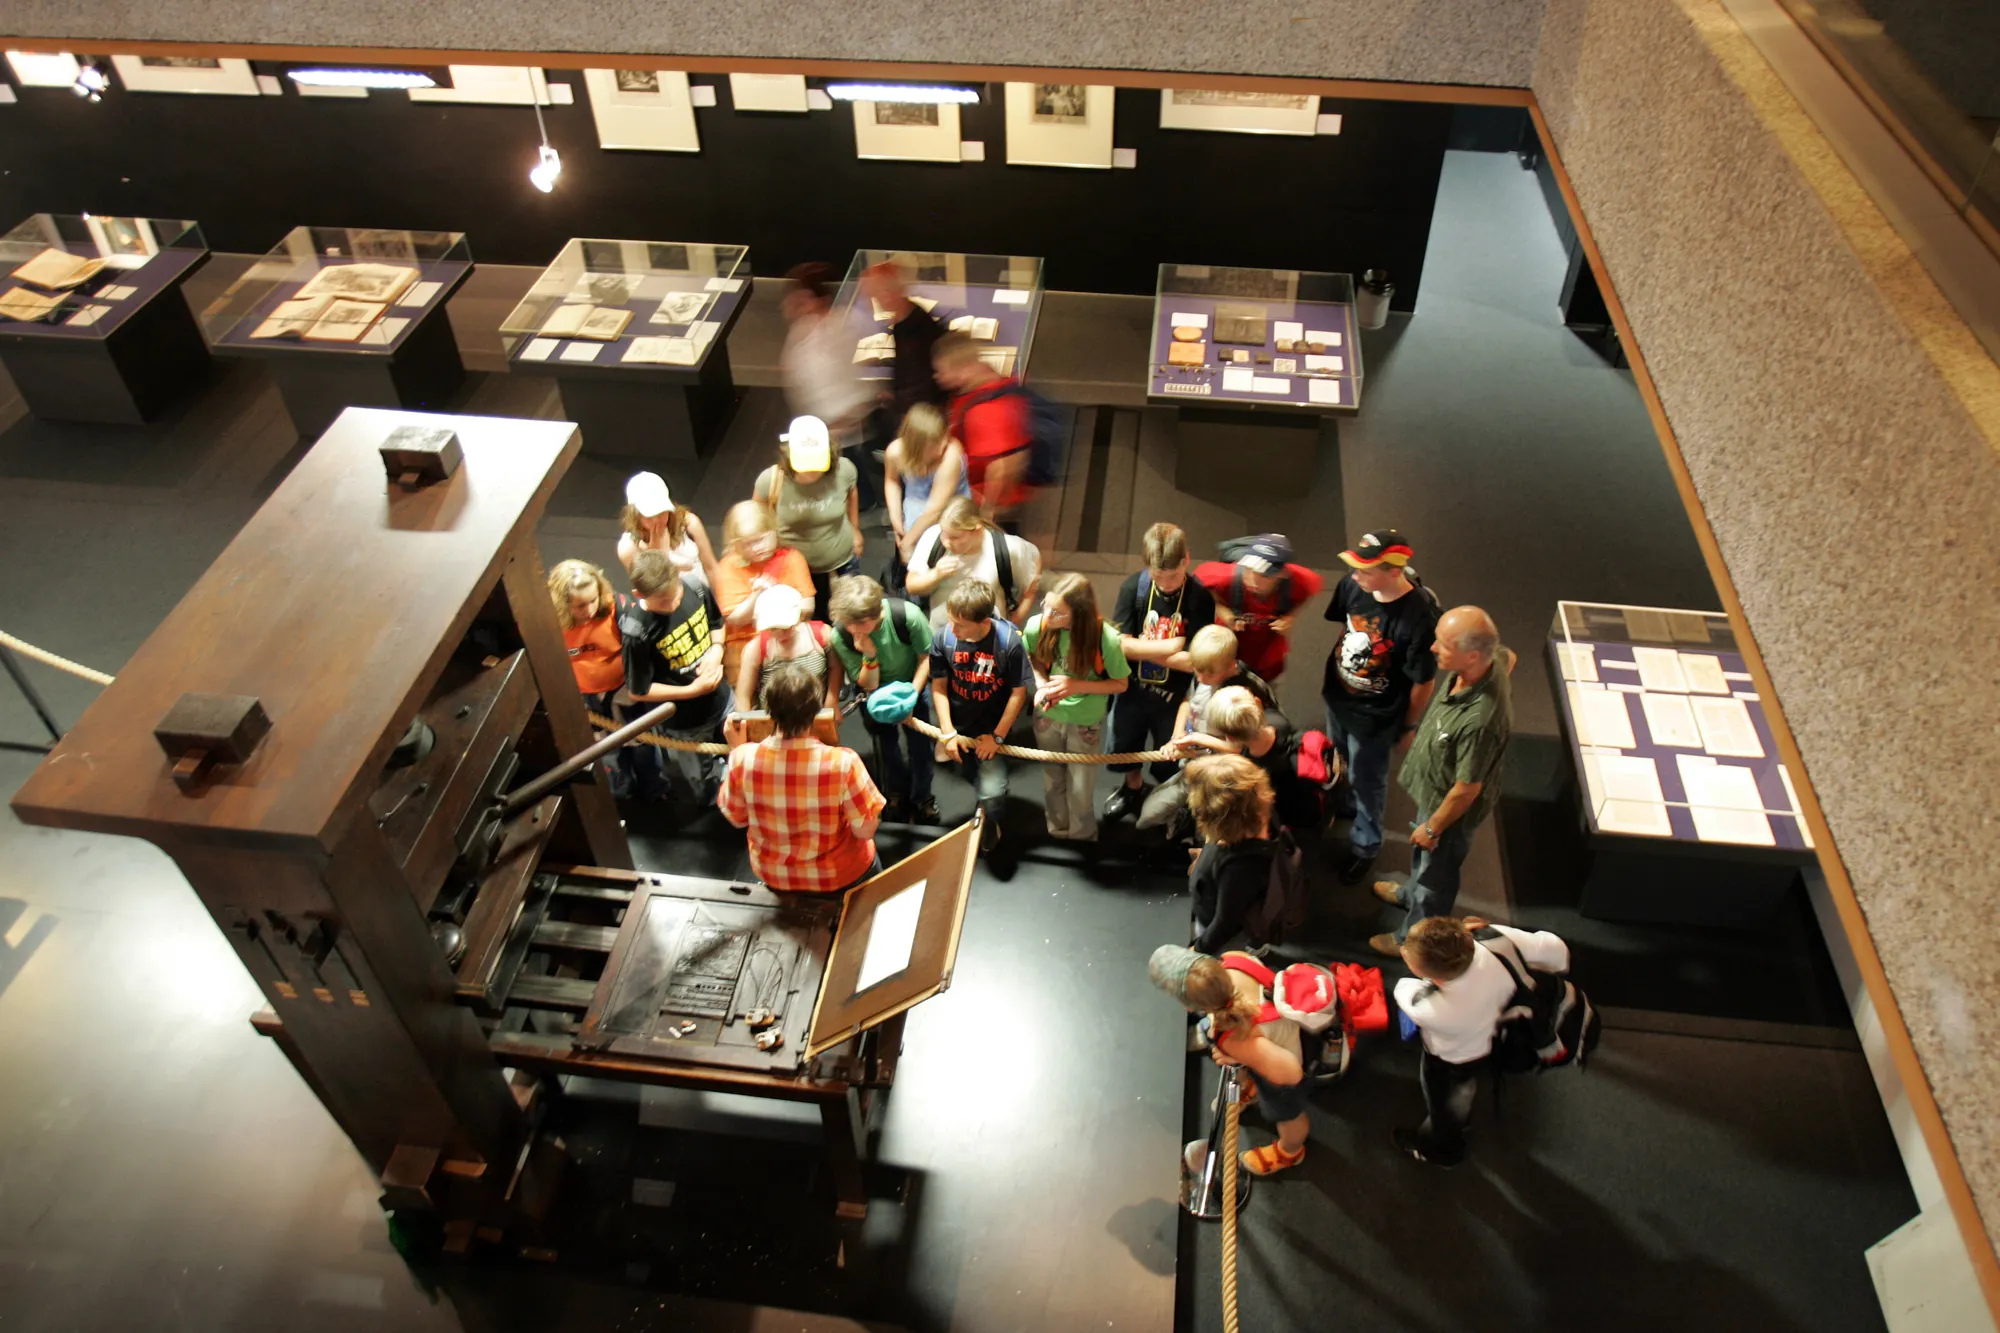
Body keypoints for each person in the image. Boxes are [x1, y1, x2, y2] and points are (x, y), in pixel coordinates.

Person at [1369, 607, 1514, 957]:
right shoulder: (1491, 661)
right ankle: (1410, 894)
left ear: (1472, 655)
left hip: (1448, 812)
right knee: (1424, 862)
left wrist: (1433, 828)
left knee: (1436, 878)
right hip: (1435, 792)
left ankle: (1413, 939)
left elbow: (1466, 789)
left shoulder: (1480, 722)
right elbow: (1510, 657)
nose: (1433, 648)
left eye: (1444, 644)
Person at [1394, 915, 1568, 1167]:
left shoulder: (1431, 1009)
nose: (1403, 950)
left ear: (1436, 977)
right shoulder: (1496, 938)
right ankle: (1459, 1118)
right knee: (1466, 1084)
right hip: (1495, 1035)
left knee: (1446, 1098)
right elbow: (1558, 951)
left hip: (1454, 1057)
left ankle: (1443, 1150)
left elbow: (1403, 987)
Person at [1322, 528, 1441, 885]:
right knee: (1339, 758)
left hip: (1376, 717)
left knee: (1368, 780)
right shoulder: (1352, 586)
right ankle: (1344, 804)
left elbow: (1424, 681)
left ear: (1394, 571)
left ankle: (1366, 844)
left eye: (1366, 570)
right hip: (1339, 698)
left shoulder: (1420, 618)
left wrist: (1408, 726)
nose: (1355, 576)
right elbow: (1345, 626)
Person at [719, 664, 886, 894]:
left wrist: (737, 750)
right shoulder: (843, 763)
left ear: (769, 709)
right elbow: (865, 831)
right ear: (815, 710)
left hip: (777, 876)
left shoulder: (742, 758)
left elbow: (736, 819)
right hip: (839, 875)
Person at [1148, 944, 1311, 1177]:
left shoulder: (1232, 1038)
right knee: (1250, 1060)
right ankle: (1251, 1088)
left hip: (1283, 1069)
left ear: (1188, 1007)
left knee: (1287, 1115)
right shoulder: (1235, 959)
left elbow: (1291, 1073)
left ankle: (1290, 1151)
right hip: (1287, 1027)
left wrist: (1234, 1055)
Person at [1106, 523, 1216, 823]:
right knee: (1125, 745)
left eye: (1173, 576)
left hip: (1175, 695)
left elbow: (1195, 660)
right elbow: (1120, 646)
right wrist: (1172, 645)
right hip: (1133, 687)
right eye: (1158, 576)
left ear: (1186, 560)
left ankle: (1166, 801)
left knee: (1170, 756)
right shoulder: (1134, 588)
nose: (1166, 585)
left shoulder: (1200, 598)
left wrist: (1144, 648)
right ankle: (1132, 788)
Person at [1022, 573, 1130, 841]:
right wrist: (1041, 683)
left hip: (1085, 721)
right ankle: (1058, 831)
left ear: (1078, 613)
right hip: (1047, 717)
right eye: (1046, 605)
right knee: (1052, 781)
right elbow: (1031, 657)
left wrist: (1075, 685)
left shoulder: (1105, 639)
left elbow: (1120, 684)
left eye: (1057, 612)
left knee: (1081, 787)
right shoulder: (1039, 626)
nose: (1047, 615)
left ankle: (1082, 837)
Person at [928, 579, 1031, 853]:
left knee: (993, 792)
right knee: (969, 773)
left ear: (984, 621)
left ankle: (990, 817)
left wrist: (997, 737)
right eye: (951, 621)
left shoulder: (1008, 643)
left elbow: (1018, 693)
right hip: (959, 727)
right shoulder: (944, 639)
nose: (952, 629)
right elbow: (938, 686)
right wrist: (947, 730)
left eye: (960, 625)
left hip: (991, 728)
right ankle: (984, 801)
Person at [619, 551, 728, 805]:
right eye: (663, 602)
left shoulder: (694, 587)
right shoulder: (637, 632)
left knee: (739, 755)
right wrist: (692, 690)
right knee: (702, 781)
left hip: (722, 700)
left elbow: (717, 623)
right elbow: (639, 690)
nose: (673, 605)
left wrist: (716, 650)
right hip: (684, 722)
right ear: (639, 595)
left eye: (675, 595)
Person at [828, 574, 938, 825]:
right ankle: (895, 793)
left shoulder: (907, 616)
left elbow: (926, 658)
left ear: (874, 616)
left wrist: (910, 697)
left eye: (856, 623)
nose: (850, 629)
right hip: (874, 694)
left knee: (921, 747)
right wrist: (869, 654)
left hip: (912, 685)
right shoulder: (841, 635)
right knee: (886, 748)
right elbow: (869, 683)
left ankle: (923, 798)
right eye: (846, 622)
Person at [548, 558, 657, 801]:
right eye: (579, 605)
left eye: (593, 600)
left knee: (643, 747)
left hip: (625, 694)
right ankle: (622, 796)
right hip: (589, 702)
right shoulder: (552, 625)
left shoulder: (617, 607)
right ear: (562, 604)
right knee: (608, 753)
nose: (588, 610)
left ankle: (655, 791)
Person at [778, 261, 878, 510]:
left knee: (852, 464)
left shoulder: (846, 324)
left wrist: (855, 412)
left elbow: (864, 364)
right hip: (822, 418)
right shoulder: (802, 330)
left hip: (846, 415)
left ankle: (864, 502)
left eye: (802, 300)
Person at [755, 415, 864, 623]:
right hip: (794, 570)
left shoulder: (844, 470)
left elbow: (852, 493)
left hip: (842, 561)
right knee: (806, 622)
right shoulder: (770, 480)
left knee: (850, 618)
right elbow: (756, 518)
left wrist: (855, 529)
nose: (811, 471)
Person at [710, 499, 817, 685]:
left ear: (773, 532)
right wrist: (757, 595)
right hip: (745, 643)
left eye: (760, 539)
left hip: (789, 636)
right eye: (747, 544)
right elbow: (734, 618)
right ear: (736, 545)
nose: (756, 548)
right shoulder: (729, 565)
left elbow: (807, 607)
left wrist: (772, 597)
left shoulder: (792, 558)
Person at [1194, 533, 1324, 684]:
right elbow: (1198, 577)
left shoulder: (1298, 580)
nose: (1253, 579)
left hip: (1267, 663)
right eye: (1250, 569)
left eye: (1264, 575)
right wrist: (1222, 609)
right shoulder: (1226, 576)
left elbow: (1312, 586)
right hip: (1225, 661)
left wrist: (1291, 616)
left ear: (1281, 574)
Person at [1183, 754, 1278, 957]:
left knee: (1225, 958)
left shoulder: (1240, 868)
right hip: (1217, 901)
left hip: (1225, 936)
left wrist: (1197, 951)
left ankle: (1254, 951)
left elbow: (1225, 923)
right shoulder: (1253, 821)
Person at [933, 330, 1032, 522]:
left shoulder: (985, 409)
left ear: (963, 368)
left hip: (987, 506)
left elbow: (1001, 468)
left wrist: (988, 513)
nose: (938, 377)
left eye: (942, 371)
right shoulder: (985, 389)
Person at [904, 494, 1041, 631]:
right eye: (943, 533)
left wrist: (1013, 624)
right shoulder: (932, 536)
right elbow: (912, 585)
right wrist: (936, 575)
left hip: (990, 635)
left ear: (977, 530)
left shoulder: (1006, 548)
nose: (946, 542)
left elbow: (1033, 576)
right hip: (942, 633)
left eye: (955, 537)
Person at [884, 402, 970, 578]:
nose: (942, 446)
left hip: (950, 516)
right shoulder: (895, 452)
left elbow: (935, 510)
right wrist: (896, 519)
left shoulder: (951, 457)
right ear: (916, 445)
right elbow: (891, 481)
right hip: (915, 515)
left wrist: (907, 543)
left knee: (950, 569)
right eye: (935, 444)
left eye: (944, 439)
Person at [734, 584, 842, 714]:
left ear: (799, 617)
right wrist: (746, 722)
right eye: (773, 629)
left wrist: (832, 701)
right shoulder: (755, 649)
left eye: (786, 628)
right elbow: (742, 697)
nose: (780, 634)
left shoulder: (822, 635)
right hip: (773, 718)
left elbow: (836, 668)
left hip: (816, 713)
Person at [860, 260, 947, 419]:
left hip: (922, 413)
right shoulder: (901, 321)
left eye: (879, 292)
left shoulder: (917, 327)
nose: (877, 300)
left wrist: (896, 399)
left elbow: (923, 382)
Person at [616, 471, 717, 592]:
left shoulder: (689, 523)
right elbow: (649, 590)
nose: (656, 521)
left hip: (701, 595)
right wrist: (659, 557)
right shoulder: (628, 547)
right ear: (635, 515)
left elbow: (711, 567)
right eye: (649, 515)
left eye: (661, 513)